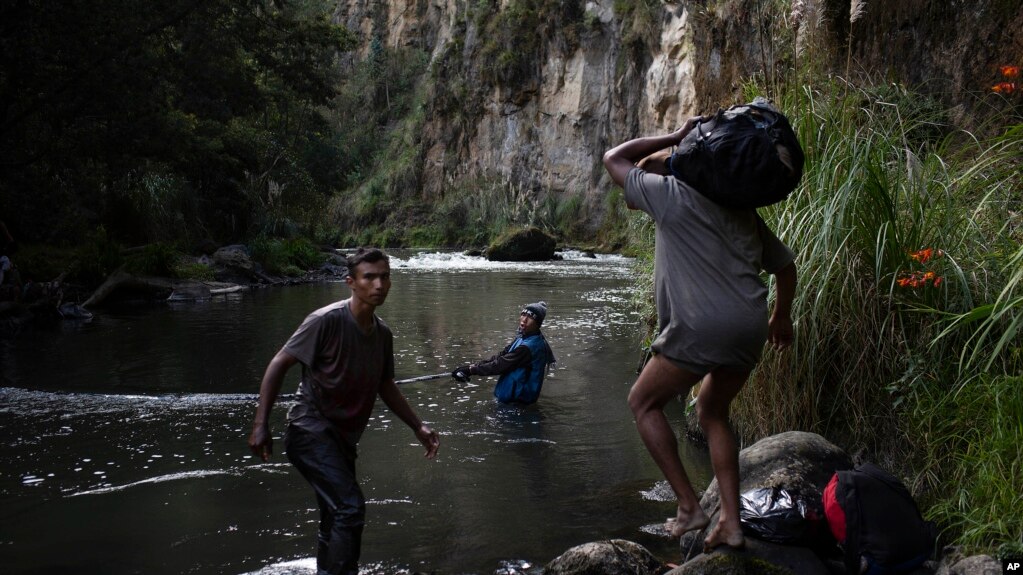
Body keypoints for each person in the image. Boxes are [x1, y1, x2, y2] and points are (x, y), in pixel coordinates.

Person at [602, 115, 798, 552]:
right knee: (712, 411)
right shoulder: (742, 210)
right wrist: (780, 318)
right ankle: (731, 521)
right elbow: (785, 266)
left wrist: (673, 136)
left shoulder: (670, 196)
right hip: (748, 327)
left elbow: (615, 158)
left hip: (700, 326)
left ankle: (690, 506)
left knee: (643, 402)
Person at [248, 247, 440, 575]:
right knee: (350, 509)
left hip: (342, 438)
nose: (379, 284)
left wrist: (417, 427)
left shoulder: (382, 335)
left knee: (334, 515)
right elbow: (280, 362)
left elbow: (385, 384)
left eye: (385, 277)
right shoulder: (325, 321)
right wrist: (260, 424)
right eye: (370, 277)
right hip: (308, 429)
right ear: (351, 282)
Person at [451, 301, 557, 405]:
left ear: (538, 323)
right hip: (512, 400)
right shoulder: (523, 337)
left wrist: (471, 370)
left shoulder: (529, 347)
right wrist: (470, 368)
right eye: (523, 314)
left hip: (518, 403)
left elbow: (500, 365)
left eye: (530, 317)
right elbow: (501, 356)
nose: (524, 320)